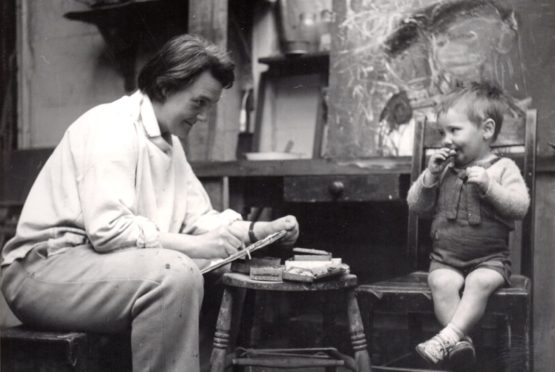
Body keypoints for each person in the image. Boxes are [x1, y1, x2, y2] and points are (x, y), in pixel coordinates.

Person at [1, 34, 299, 372]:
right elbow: (110, 232)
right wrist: (199, 245)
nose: (203, 116)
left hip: (96, 266)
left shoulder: (169, 142)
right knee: (174, 275)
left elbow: (197, 219)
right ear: (164, 87)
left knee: (223, 270)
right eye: (198, 103)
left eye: (209, 106)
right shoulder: (111, 125)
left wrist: (259, 231)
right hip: (41, 270)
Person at [406, 81, 529, 365]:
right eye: (442, 132)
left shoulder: (503, 168)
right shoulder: (443, 170)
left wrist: (490, 187)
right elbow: (416, 206)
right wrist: (430, 177)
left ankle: (446, 338)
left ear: (486, 130)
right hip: (445, 259)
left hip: (490, 260)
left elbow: (520, 207)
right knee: (440, 282)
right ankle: (460, 344)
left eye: (454, 130)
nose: (446, 139)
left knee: (479, 282)